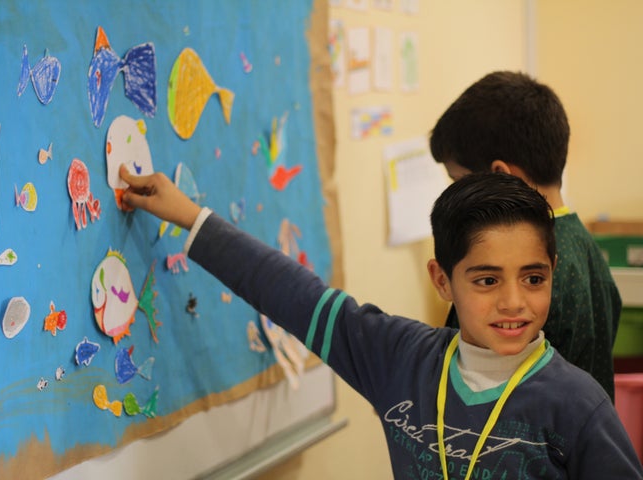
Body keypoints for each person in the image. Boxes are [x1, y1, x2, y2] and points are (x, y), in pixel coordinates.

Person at [119, 165, 642, 479]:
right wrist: (190, 216)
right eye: (486, 280)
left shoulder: (578, 406)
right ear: (443, 281)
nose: (514, 302)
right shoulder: (399, 357)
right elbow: (291, 294)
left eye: (533, 279)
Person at [429, 70, 622, 401]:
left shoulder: (505, 266)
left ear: (499, 175)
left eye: (456, 179)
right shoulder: (584, 244)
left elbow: (457, 381)